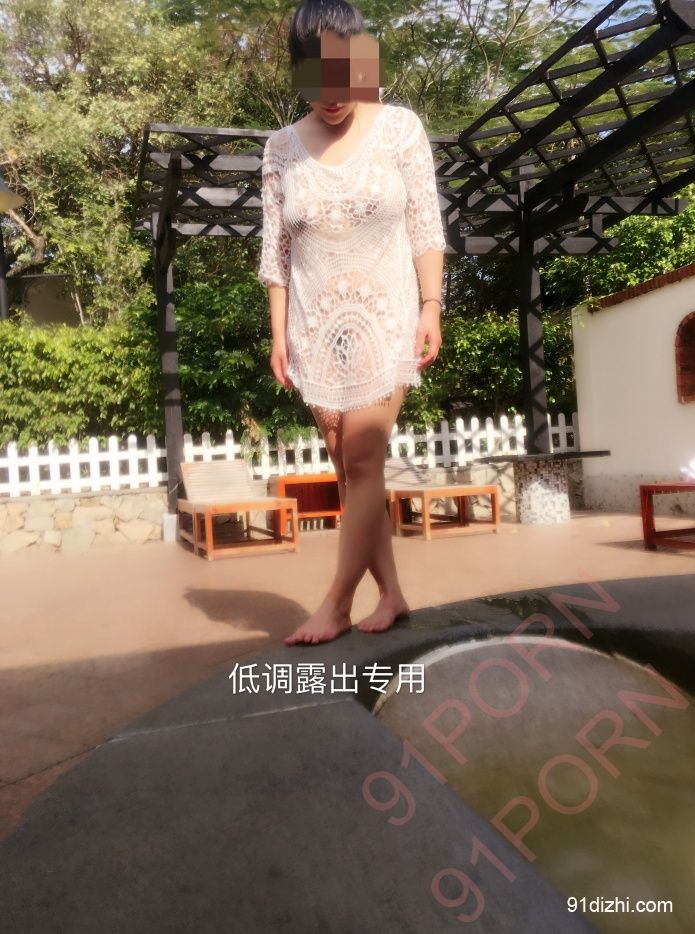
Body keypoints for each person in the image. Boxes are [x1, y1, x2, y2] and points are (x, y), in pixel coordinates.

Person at [257, 0, 446, 646]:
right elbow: (277, 253)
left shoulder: (399, 129)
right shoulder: (280, 149)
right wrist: (279, 334)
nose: (331, 94)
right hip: (315, 330)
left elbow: (425, 225)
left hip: (385, 318)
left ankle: (336, 604)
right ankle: (391, 593)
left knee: (363, 455)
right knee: (349, 467)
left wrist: (431, 304)